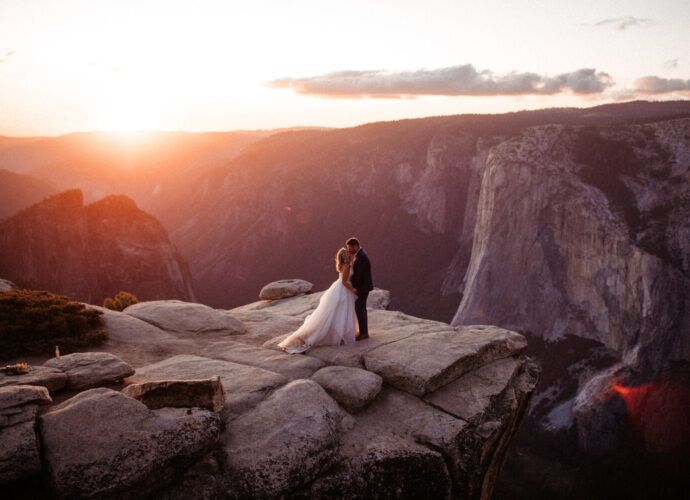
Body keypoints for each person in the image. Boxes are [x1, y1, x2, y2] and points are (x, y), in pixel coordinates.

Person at [278, 247, 358, 353]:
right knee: (343, 311)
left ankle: (339, 332)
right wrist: (353, 289)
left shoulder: (343, 265)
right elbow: (344, 281)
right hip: (344, 288)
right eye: (348, 253)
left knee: (337, 311)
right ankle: (341, 334)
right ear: (345, 256)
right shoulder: (347, 266)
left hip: (338, 288)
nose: (350, 253)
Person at [346, 237, 374, 340]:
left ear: (355, 246)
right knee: (360, 309)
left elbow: (359, 276)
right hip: (364, 287)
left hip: (362, 288)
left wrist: (353, 287)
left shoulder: (361, 257)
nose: (349, 250)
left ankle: (364, 333)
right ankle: (363, 332)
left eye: (350, 248)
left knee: (360, 309)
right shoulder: (360, 255)